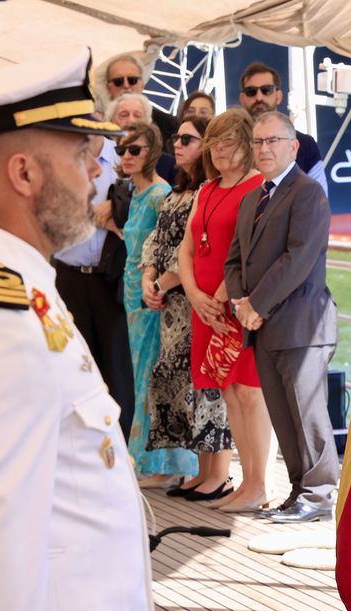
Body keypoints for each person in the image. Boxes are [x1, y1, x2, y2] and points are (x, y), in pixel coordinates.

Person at [0, 47, 163, 611]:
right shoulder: (2, 319)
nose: (97, 170)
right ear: (25, 174)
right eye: (81, 153)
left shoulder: (25, 291)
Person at [224, 111, 340, 522]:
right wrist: (241, 303)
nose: (264, 149)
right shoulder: (252, 198)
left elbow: (298, 258)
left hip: (302, 325)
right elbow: (235, 259)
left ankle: (321, 495)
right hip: (264, 326)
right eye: (257, 142)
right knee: (282, 413)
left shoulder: (307, 193)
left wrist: (256, 305)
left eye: (273, 141)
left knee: (307, 415)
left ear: (292, 147)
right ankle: (298, 492)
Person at [178, 108, 272, 509]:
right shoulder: (206, 189)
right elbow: (187, 247)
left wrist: (218, 296)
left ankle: (259, 483)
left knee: (250, 393)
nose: (218, 150)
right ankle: (246, 484)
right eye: (213, 142)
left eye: (228, 142)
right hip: (206, 307)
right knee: (229, 393)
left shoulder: (257, 186)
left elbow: (250, 251)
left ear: (246, 143)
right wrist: (195, 295)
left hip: (235, 305)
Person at [140, 115, 235, 494]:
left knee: (207, 387)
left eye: (187, 139)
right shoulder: (177, 192)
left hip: (192, 299)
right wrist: (149, 278)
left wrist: (162, 284)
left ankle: (218, 476)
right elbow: (156, 240)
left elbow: (193, 250)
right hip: (171, 307)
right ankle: (201, 471)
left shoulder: (206, 193)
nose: (176, 144)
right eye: (175, 138)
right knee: (183, 385)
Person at [119, 122, 198, 484]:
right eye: (122, 150)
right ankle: (146, 458)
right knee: (139, 375)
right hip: (135, 293)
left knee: (153, 374)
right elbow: (141, 244)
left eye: (134, 150)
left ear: (151, 153)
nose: (127, 156)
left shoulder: (160, 193)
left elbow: (170, 246)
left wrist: (156, 285)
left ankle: (161, 464)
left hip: (155, 297)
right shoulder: (136, 194)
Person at [53, 125, 135, 442]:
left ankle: (121, 453)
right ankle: (83, 448)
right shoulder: (60, 154)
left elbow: (138, 208)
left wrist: (114, 211)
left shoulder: (124, 155)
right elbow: (55, 213)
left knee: (117, 370)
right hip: (68, 276)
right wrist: (95, 215)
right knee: (74, 367)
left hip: (110, 277)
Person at [238, 62, 329, 196]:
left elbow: (319, 198)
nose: (259, 97)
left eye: (266, 90)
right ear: (243, 98)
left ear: (279, 96)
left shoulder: (305, 144)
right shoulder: (232, 144)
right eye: (251, 92)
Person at [103, 53, 179, 148]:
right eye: (118, 81)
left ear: (142, 84)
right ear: (108, 88)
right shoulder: (96, 129)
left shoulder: (168, 125)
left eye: (132, 80)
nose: (126, 85)